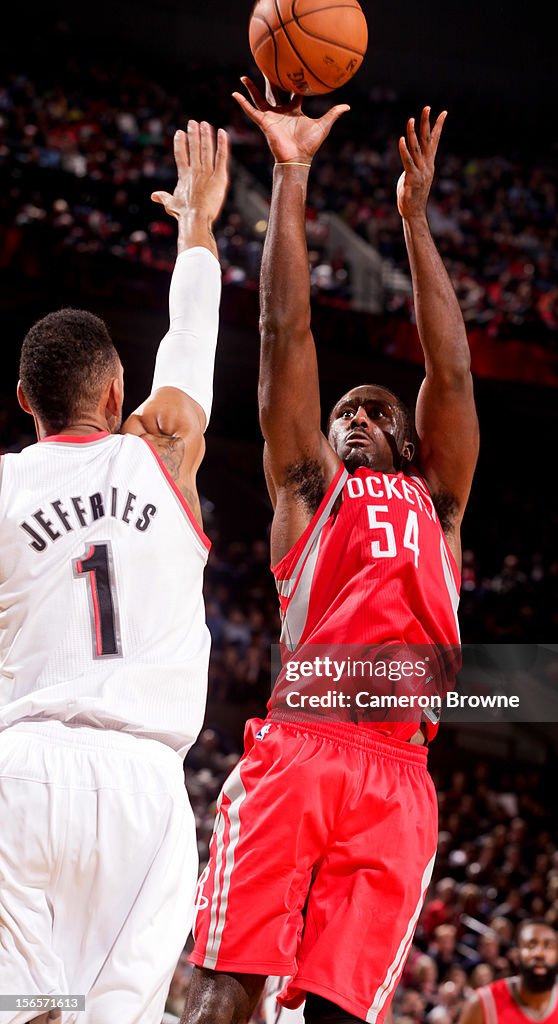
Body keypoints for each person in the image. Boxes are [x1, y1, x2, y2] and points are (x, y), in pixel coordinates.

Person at [181, 79, 479, 1024]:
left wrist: (415, 221)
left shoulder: (439, 502)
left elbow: (452, 372)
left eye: (375, 413)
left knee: (345, 1009)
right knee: (231, 989)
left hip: (400, 768)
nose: (355, 419)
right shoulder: (309, 493)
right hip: (305, 741)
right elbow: (284, 331)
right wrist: (291, 170)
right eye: (344, 411)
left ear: (409, 440)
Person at [0, 120, 229, 1023]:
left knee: (29, 1009)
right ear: (114, 392)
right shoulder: (163, 453)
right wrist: (197, 228)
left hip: (22, 770)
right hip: (146, 785)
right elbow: (193, 343)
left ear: (24, 403)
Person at [459, 921, 558, 1024]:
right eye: (531, 945)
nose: (539, 954)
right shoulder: (482, 1003)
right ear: (516, 954)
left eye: (548, 946)